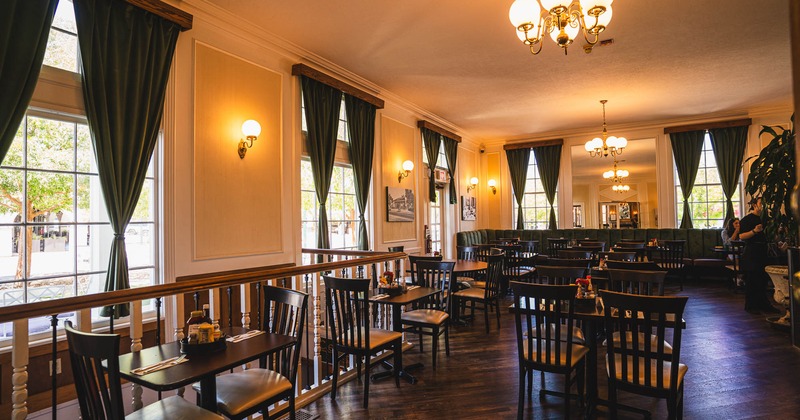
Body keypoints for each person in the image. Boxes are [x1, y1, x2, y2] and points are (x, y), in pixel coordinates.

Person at [738, 197, 780, 314]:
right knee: (752, 280)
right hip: (752, 251)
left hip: (763, 250)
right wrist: (754, 231)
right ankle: (751, 306)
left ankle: (764, 304)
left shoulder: (766, 219)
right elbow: (741, 236)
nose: (763, 206)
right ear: (754, 205)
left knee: (763, 279)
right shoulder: (747, 220)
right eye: (761, 203)